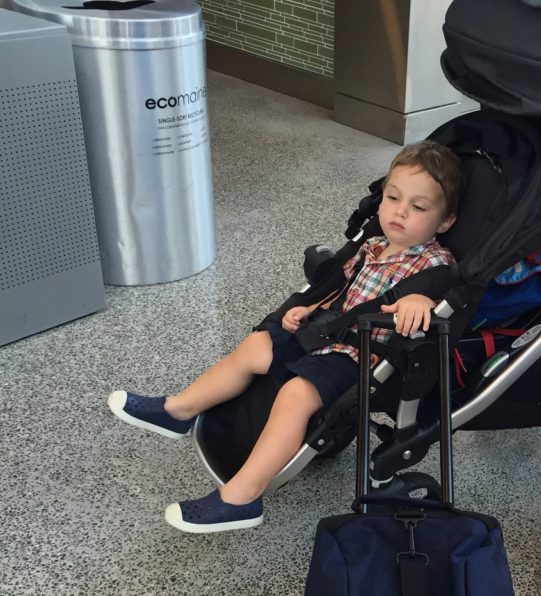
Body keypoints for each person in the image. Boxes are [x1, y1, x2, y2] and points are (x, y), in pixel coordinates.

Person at [108, 140, 462, 534]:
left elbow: (436, 299)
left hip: (362, 356)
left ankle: (242, 498)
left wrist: (418, 301)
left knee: (296, 394)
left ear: (444, 222)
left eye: (419, 207)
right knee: (256, 346)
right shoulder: (373, 245)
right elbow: (341, 290)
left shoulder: (434, 264)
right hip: (327, 330)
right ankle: (178, 411)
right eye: (393, 197)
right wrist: (311, 308)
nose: (400, 211)